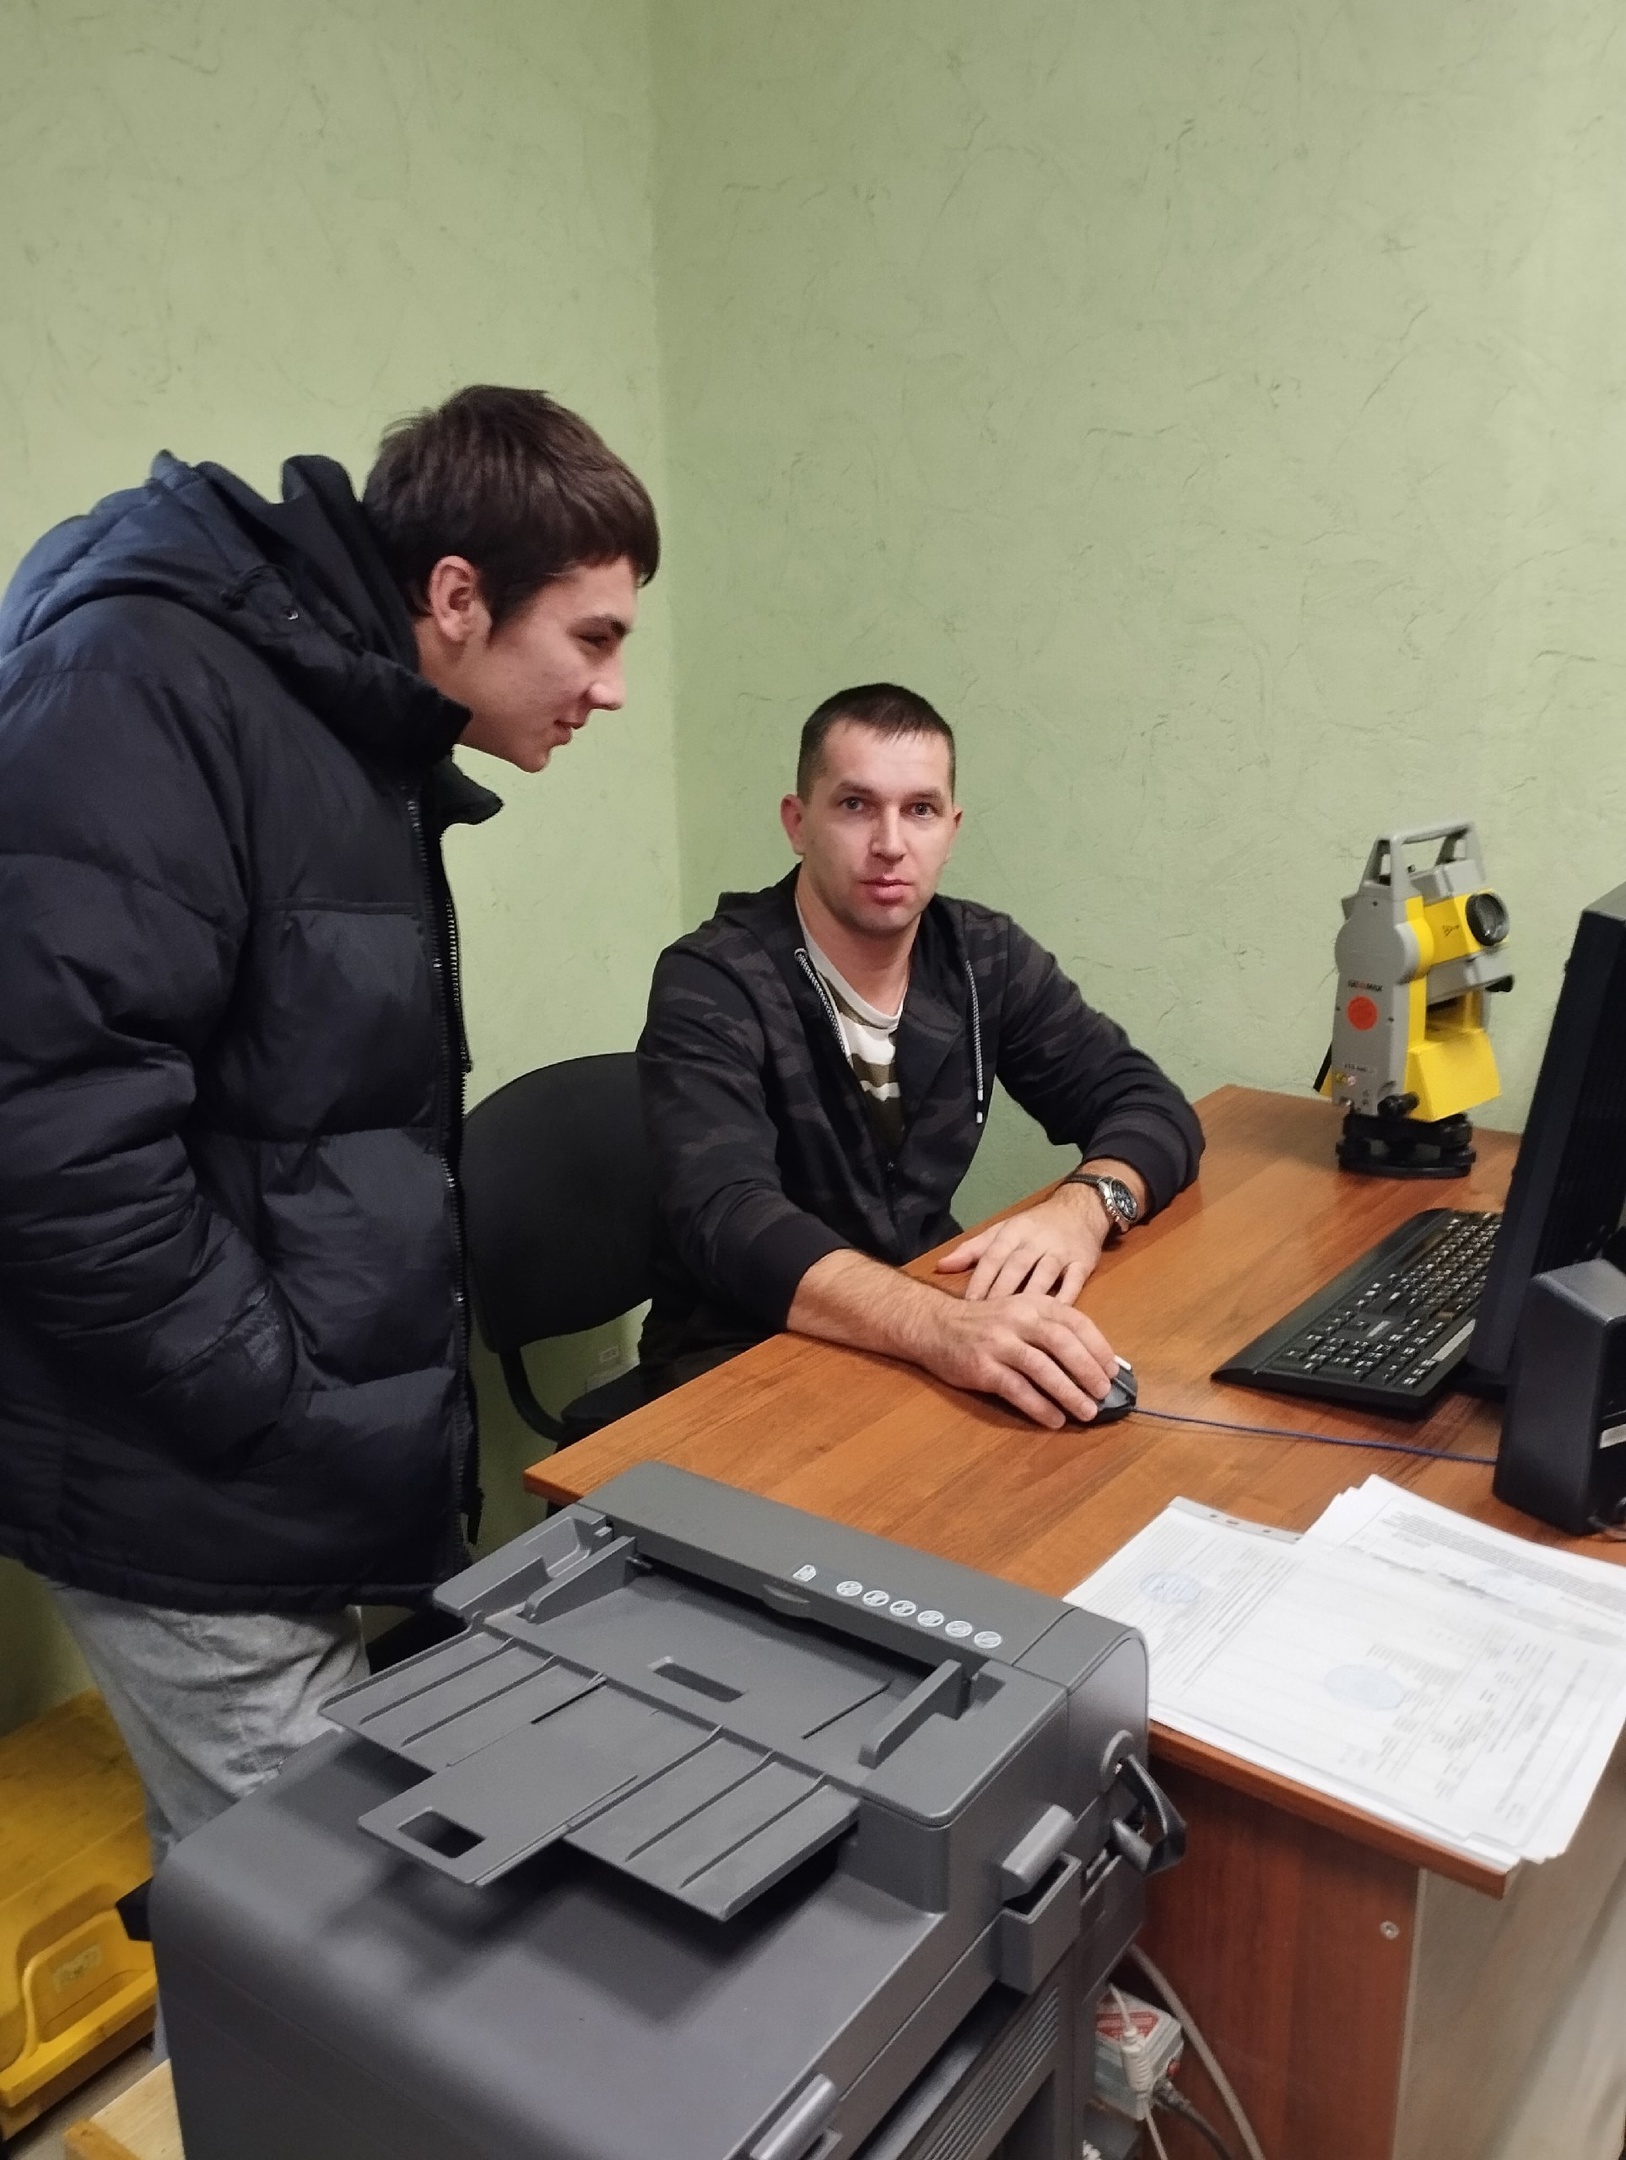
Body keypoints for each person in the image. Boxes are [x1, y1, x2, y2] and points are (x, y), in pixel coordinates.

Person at [0, 386, 658, 1863]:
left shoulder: (338, 711)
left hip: (272, 1468)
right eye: (595, 637)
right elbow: (46, 1142)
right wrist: (269, 1403)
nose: (612, 688)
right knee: (330, 1921)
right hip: (186, 1478)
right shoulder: (144, 690)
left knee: (263, 1911)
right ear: (456, 596)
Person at [637, 683, 1202, 1427]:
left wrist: (1085, 1208)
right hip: (742, 1363)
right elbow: (729, 1216)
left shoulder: (982, 956)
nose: (890, 844)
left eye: (920, 810)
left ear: (951, 829)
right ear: (797, 823)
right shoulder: (714, 979)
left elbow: (1147, 1103)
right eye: (855, 805)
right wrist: (939, 1327)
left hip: (921, 1333)